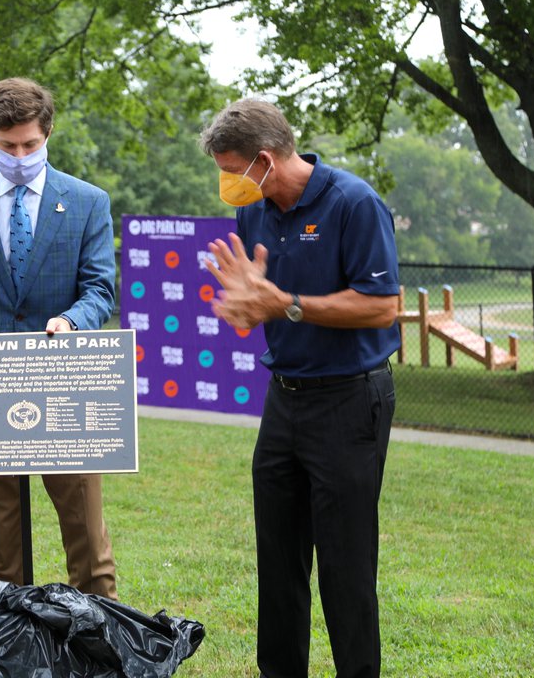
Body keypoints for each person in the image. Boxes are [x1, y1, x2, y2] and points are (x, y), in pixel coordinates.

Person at [200, 98, 400, 678]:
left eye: (231, 169)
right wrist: (248, 307)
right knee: (279, 561)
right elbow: (262, 302)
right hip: (284, 399)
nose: (228, 183)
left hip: (349, 400)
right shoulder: (254, 212)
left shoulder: (353, 203)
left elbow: (382, 306)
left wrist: (285, 305)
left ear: (264, 160)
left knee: (345, 566)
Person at [0, 77, 118, 599]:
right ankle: (1, 638)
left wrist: (72, 320)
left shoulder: (88, 202)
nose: (19, 156)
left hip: (66, 383)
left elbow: (100, 289)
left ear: (48, 134)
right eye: (7, 146)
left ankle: (98, 638)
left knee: (88, 539)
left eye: (30, 145)